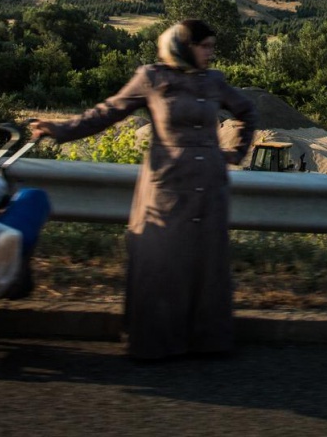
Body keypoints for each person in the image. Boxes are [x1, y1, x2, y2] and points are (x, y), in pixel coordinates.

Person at [30, 19, 256, 361]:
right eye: (204, 46)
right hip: (168, 185)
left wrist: (236, 152)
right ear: (183, 45)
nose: (210, 53)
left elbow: (246, 111)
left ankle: (206, 341)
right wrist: (60, 129)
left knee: (206, 264)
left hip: (208, 184)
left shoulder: (214, 81)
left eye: (212, 46)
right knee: (160, 262)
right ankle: (155, 343)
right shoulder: (151, 77)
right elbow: (107, 112)